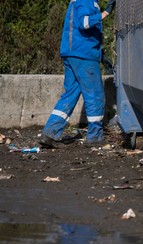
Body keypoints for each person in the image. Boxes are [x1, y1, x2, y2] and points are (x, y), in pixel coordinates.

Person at [39, 0, 116, 148]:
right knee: (95, 94)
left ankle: (50, 133)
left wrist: (100, 54)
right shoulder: (86, 1)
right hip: (84, 55)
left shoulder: (78, 1)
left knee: (71, 94)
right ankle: (95, 135)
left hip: (73, 54)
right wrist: (105, 13)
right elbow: (84, 23)